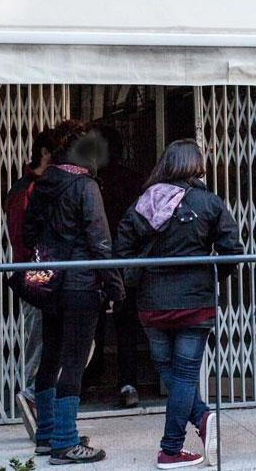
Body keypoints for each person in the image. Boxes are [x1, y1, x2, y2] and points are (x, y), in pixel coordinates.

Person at [115, 139, 243, 470]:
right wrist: (210, 277)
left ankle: (198, 420)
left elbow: (122, 248)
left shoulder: (144, 202)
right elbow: (232, 251)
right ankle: (173, 447)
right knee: (185, 374)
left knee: (168, 369)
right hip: (194, 303)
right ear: (196, 164)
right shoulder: (210, 203)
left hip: (152, 302)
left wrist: (136, 278)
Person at [23, 120, 124, 464]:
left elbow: (28, 232)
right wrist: (114, 285)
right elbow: (100, 241)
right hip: (80, 285)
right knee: (74, 362)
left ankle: (46, 435)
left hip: (49, 283)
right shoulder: (85, 186)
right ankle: (65, 442)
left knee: (50, 357)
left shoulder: (43, 185)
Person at [88, 125, 147, 409]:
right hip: (123, 259)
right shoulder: (133, 180)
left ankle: (93, 375)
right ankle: (127, 382)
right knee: (125, 324)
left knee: (93, 321)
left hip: (99, 259)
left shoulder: (91, 182)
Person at [6, 127, 58, 442]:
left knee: (51, 343)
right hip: (37, 278)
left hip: (44, 276)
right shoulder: (26, 191)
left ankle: (40, 409)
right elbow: (22, 238)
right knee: (41, 343)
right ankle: (33, 399)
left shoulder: (39, 188)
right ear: (45, 154)